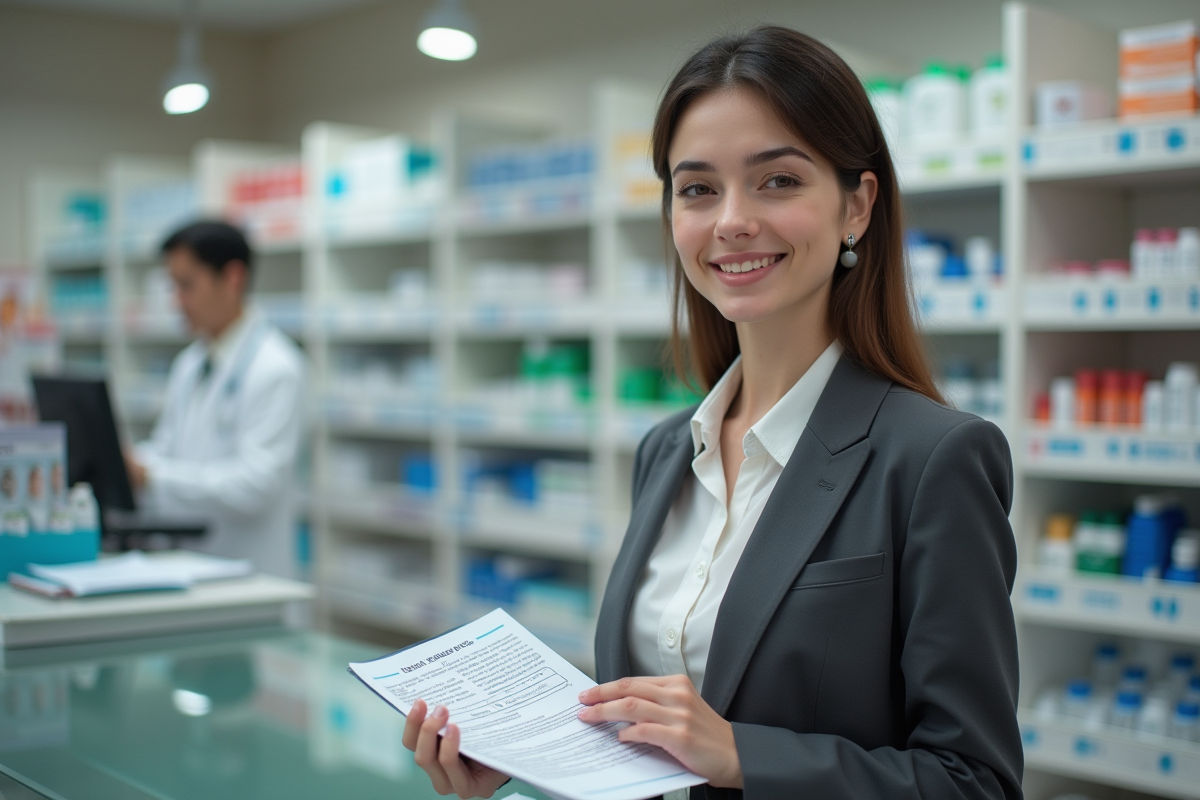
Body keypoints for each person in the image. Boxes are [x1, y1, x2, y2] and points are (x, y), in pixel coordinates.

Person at [402, 26, 1022, 800]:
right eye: (697, 189)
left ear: (856, 206)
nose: (731, 220)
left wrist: (741, 756)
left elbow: (974, 783)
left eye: (778, 181)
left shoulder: (935, 458)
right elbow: (663, 718)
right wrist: (539, 753)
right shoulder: (667, 450)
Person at [125, 221, 305, 578]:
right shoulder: (190, 364)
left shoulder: (276, 368)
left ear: (233, 278)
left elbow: (254, 486)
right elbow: (166, 448)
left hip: (252, 579)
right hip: (192, 567)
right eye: (172, 286)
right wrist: (126, 462)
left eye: (186, 285)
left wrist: (153, 476)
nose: (176, 300)